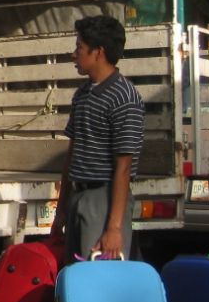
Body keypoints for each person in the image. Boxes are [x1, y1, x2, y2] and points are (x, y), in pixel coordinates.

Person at [51, 15, 144, 263]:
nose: (74, 54)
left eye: (79, 48)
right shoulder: (82, 95)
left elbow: (123, 167)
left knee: (98, 277)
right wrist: (61, 211)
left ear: (98, 52)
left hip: (104, 200)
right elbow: (72, 155)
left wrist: (113, 228)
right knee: (74, 276)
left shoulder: (124, 97)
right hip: (78, 198)